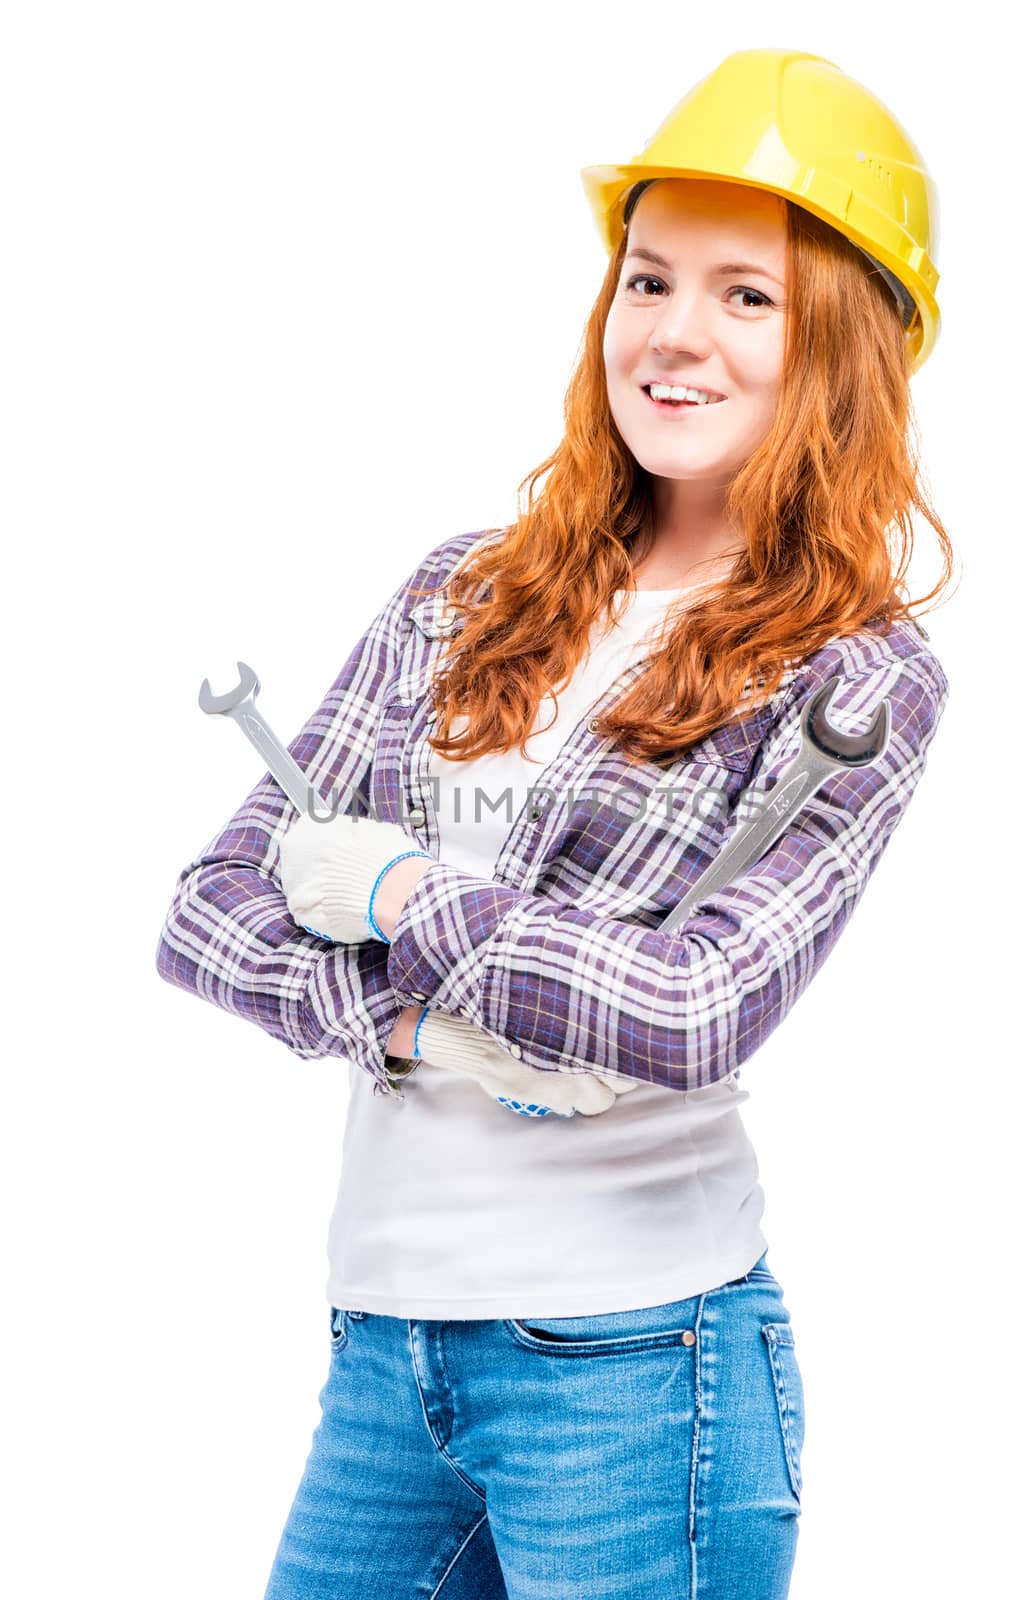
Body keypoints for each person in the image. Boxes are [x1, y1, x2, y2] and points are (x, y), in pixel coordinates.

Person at [155, 46, 955, 1600]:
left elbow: (695, 1008)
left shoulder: (858, 678)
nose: (674, 335)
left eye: (747, 296)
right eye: (649, 280)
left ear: (840, 351)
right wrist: (421, 1040)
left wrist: (393, 890)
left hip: (638, 1367)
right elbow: (205, 911)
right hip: (386, 1348)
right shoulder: (466, 590)